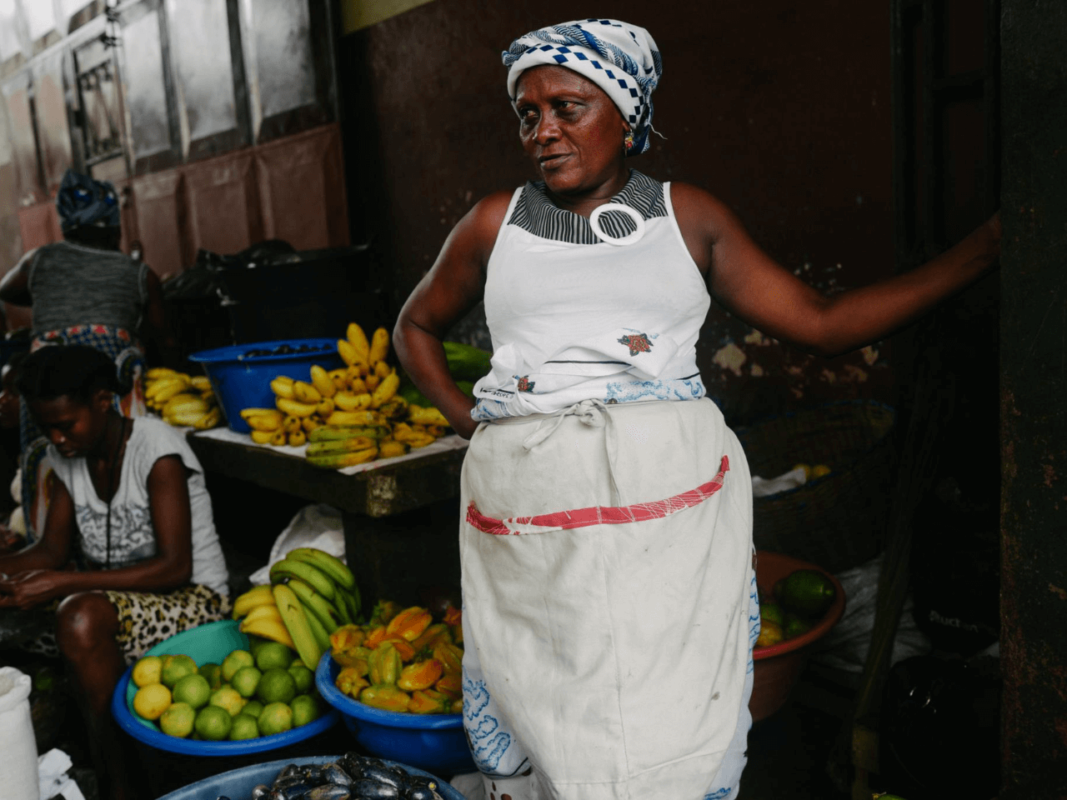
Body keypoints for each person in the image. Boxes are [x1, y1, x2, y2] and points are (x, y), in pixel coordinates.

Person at [392, 18, 1001, 800]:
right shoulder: (492, 224)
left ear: (625, 111)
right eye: (527, 113)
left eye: (567, 107)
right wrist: (469, 422)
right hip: (531, 508)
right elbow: (416, 325)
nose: (542, 130)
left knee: (666, 683)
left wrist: (981, 251)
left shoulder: (688, 218)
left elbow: (820, 324)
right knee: (547, 680)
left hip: (667, 506)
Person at [0, 345, 230, 800]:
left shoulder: (157, 449)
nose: (57, 439)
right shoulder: (65, 458)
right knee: (20, 620)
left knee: (78, 617)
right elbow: (49, 551)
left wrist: (65, 581)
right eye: (47, 428)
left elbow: (174, 567)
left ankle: (120, 786)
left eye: (66, 425)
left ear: (103, 400)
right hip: (116, 603)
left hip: (195, 601)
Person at [0, 169, 177, 542]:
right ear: (115, 231)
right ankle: (130, 541)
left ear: (66, 229)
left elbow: (7, 289)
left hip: (49, 395)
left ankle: (50, 549)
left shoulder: (40, 260)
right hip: (107, 398)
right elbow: (163, 337)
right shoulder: (139, 273)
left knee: (50, 461)